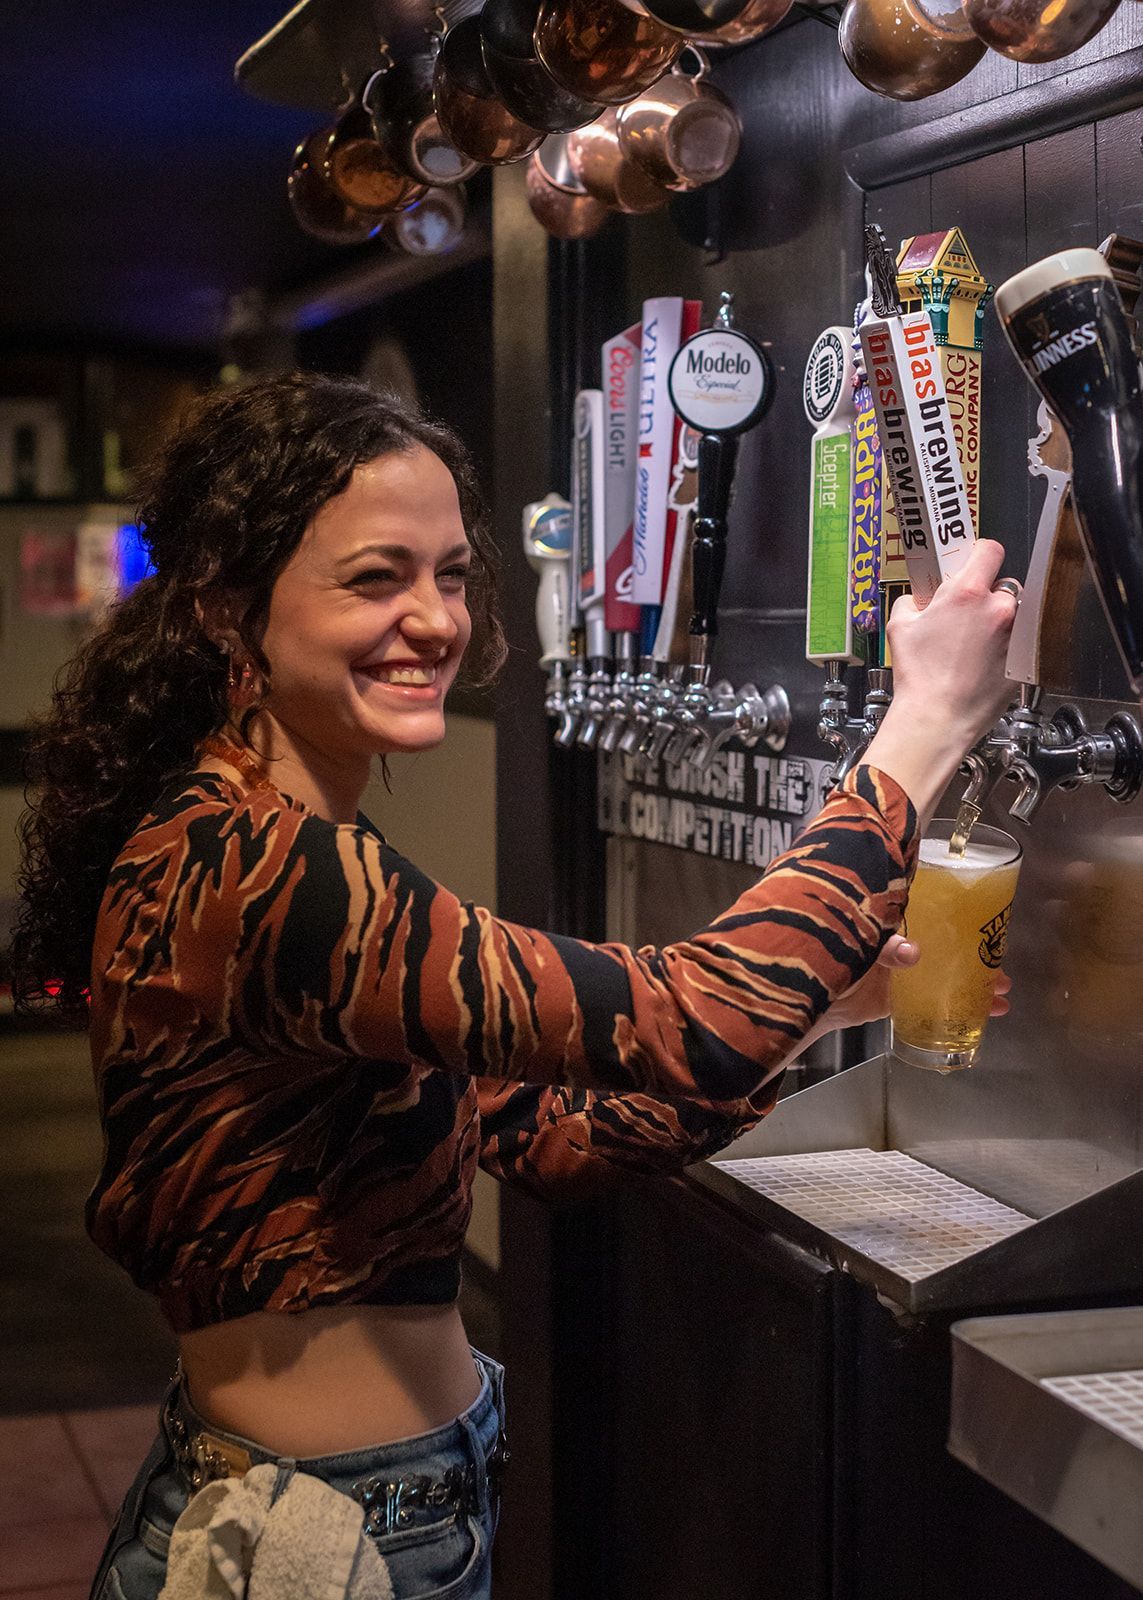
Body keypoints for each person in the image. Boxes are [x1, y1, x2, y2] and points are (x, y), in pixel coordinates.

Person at [13, 373, 1017, 1600]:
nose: (434, 618)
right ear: (232, 608)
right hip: (316, 1543)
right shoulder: (251, 872)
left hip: (376, 1500)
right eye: (376, 576)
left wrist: (810, 1003)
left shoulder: (281, 850)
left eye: (448, 573)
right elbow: (691, 1022)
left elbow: (553, 1138)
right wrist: (925, 721)